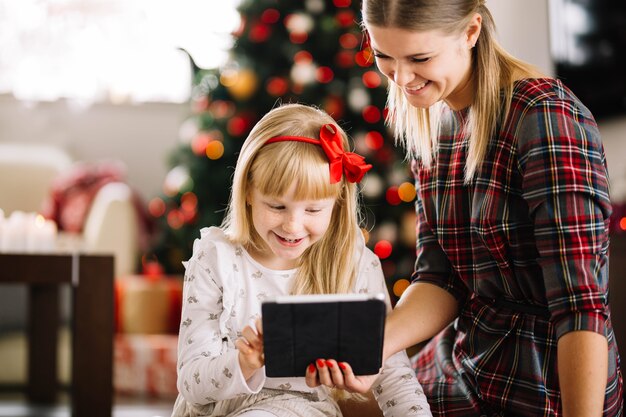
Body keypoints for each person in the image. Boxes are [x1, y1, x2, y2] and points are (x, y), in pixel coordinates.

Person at [305, 1, 624, 416]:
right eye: (384, 57)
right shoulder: (436, 122)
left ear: (471, 32)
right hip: (466, 357)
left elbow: (580, 309)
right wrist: (369, 346)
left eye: (420, 58)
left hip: (543, 383)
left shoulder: (544, 117)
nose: (401, 78)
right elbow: (439, 277)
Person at [171, 103, 432, 417]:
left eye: (312, 210)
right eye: (277, 207)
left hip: (296, 409)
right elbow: (191, 383)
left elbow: (392, 371)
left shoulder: (355, 264)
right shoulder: (215, 259)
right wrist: (244, 362)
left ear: (336, 204)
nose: (292, 226)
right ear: (248, 193)